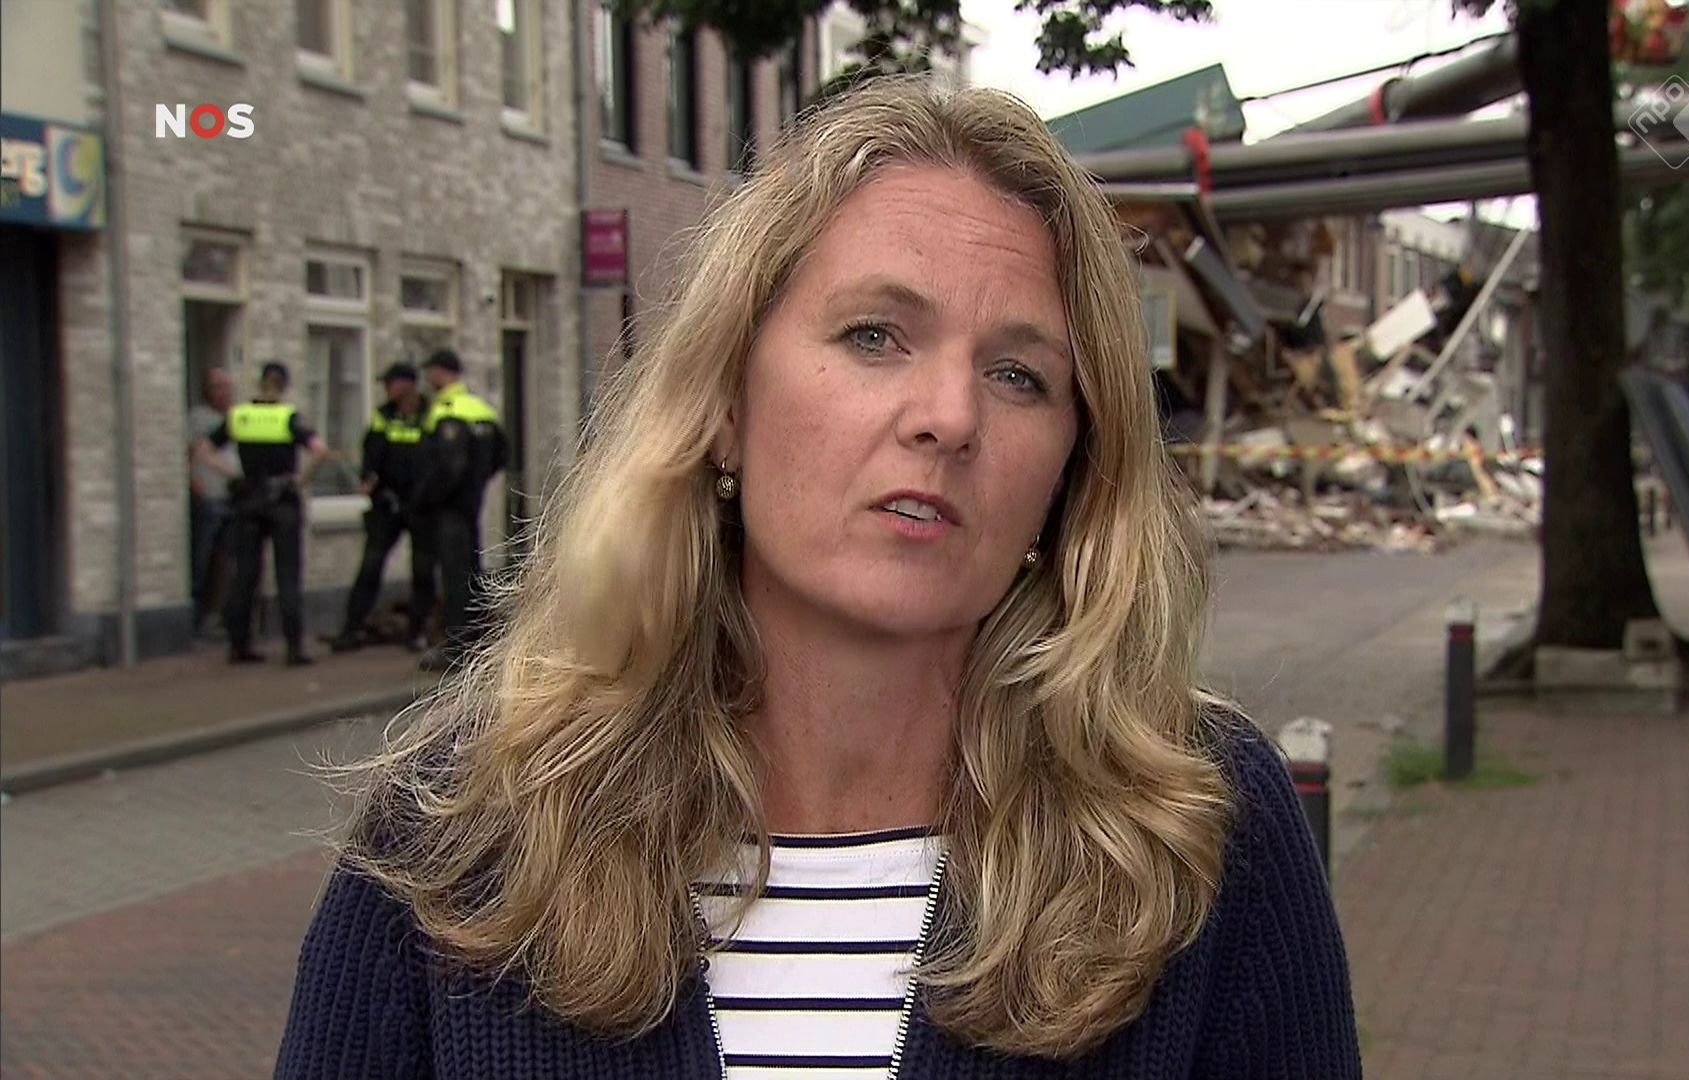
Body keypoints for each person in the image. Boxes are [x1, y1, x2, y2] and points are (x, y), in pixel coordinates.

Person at [277, 81, 1359, 1079]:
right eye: (875, 335)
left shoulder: (1197, 833)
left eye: (1019, 373)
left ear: (1072, 471)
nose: (950, 415)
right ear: (726, 405)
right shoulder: (461, 828)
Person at [194, 361, 327, 666]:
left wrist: (233, 477)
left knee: (245, 574)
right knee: (287, 574)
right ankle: (294, 648)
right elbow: (319, 450)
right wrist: (300, 481)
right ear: (283, 386)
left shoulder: (239, 416)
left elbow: (203, 451)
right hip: (282, 499)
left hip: (249, 498)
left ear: (260, 383)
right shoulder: (288, 417)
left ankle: (238, 645)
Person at [411, 349, 508, 671]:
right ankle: (477, 642)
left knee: (455, 577)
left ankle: (458, 648)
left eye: (431, 372)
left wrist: (426, 498)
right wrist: (476, 485)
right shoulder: (481, 409)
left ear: (442, 373)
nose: (428, 378)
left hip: (449, 508)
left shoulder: (448, 411)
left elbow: (447, 467)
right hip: (471, 504)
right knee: (471, 573)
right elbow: (501, 455)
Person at [333, 362, 436, 653]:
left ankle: (417, 632)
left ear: (407, 385)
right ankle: (351, 628)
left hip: (420, 504)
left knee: (423, 570)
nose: (387, 389)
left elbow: (436, 456)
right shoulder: (383, 416)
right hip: (388, 503)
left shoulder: (429, 414)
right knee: (371, 565)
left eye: (391, 383)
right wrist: (368, 478)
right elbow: (372, 452)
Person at [187, 367, 239, 638]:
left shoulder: (237, 418)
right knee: (202, 559)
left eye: (226, 386)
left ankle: (218, 618)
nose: (223, 392)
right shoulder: (198, 418)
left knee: (228, 561)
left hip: (232, 497)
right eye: (217, 387)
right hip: (208, 497)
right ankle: (194, 620)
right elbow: (188, 451)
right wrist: (193, 482)